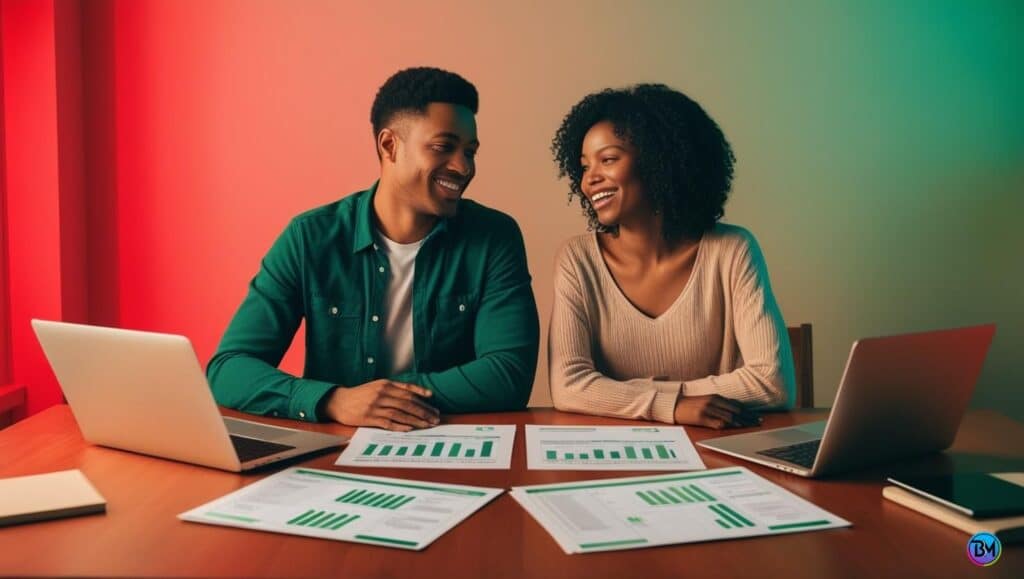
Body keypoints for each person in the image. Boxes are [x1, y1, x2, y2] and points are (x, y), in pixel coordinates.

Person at [209, 67, 539, 431]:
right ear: (389, 145)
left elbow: (508, 374)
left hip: (448, 451)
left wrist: (384, 400)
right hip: (336, 453)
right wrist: (334, 400)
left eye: (470, 151)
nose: (463, 167)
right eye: (444, 147)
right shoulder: (310, 238)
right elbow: (229, 369)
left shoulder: (494, 237)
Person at [548, 84, 795, 429]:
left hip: (716, 452)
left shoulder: (733, 250)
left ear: (658, 160)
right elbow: (568, 387)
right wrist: (673, 406)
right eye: (585, 166)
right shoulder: (577, 260)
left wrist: (623, 395)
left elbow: (772, 383)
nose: (590, 180)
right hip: (614, 455)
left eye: (608, 159)